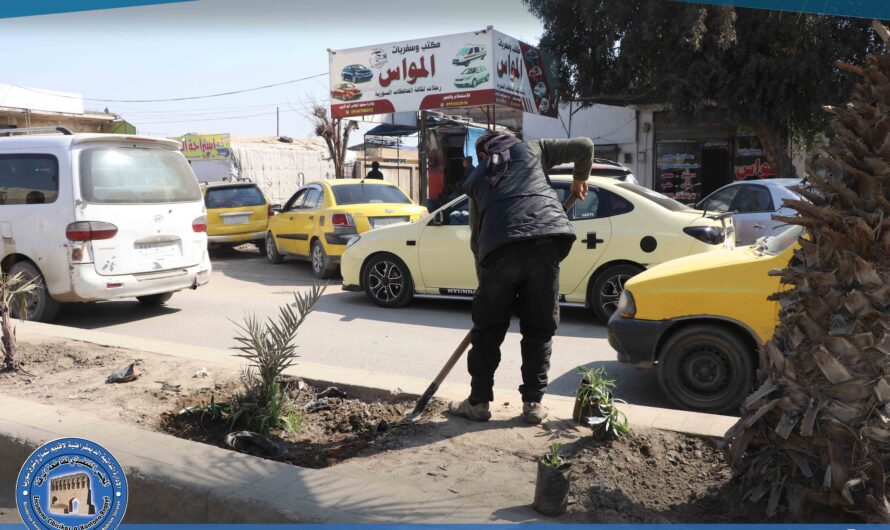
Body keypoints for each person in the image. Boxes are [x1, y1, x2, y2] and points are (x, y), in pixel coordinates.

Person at [449, 132, 593, 425]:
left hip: (500, 252)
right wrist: (580, 178)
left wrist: (487, 291)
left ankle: (478, 403)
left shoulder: (479, 177)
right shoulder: (533, 149)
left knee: (488, 331)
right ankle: (533, 405)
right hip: (546, 243)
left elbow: (477, 242)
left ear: (483, 155)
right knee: (539, 328)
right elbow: (585, 146)